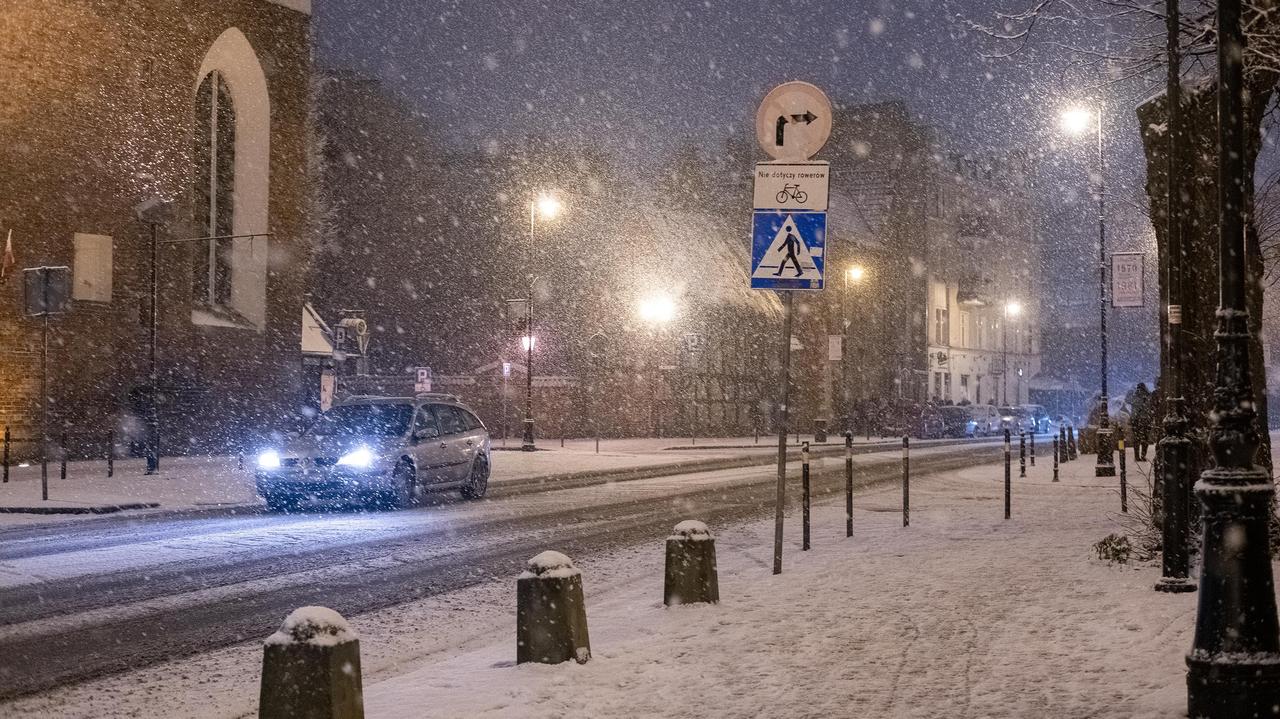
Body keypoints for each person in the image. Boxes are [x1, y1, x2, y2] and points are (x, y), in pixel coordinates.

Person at [1130, 382, 1153, 462]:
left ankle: (1136, 456)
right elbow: (1150, 409)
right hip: (1146, 420)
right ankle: (1143, 455)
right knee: (1145, 439)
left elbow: (1133, 410)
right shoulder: (1148, 396)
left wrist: (1132, 420)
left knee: (1136, 439)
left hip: (1136, 420)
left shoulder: (1134, 397)